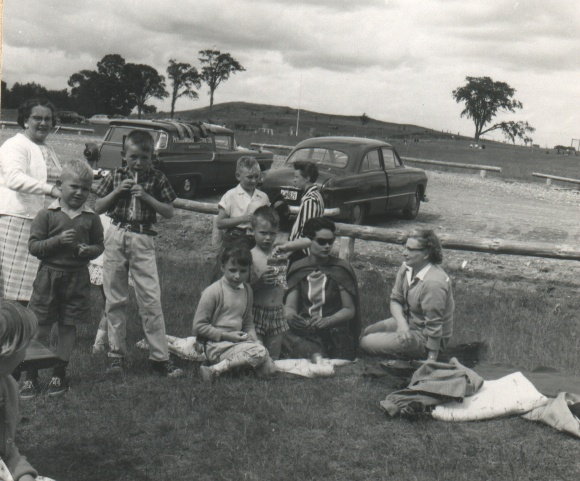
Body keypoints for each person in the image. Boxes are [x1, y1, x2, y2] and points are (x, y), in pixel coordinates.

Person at [94, 129, 183, 377]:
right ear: (124, 156)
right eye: (133, 157)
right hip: (116, 233)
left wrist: (146, 196)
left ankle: (159, 358)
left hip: (143, 237)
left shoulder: (157, 178)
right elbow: (98, 205)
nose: (139, 162)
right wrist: (117, 192)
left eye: (145, 157)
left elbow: (168, 211)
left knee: (150, 299)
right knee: (115, 298)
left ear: (152, 157)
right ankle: (115, 355)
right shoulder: (116, 175)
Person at [20, 159, 104, 398]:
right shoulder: (47, 214)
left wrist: (89, 251)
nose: (80, 192)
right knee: (42, 327)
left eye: (86, 188)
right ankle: (30, 376)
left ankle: (59, 373)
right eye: (74, 186)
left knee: (68, 326)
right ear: (60, 185)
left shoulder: (91, 217)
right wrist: (57, 242)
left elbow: (99, 245)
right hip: (49, 277)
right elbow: (34, 247)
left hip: (77, 278)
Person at [0, 98, 62, 304]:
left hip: (39, 224)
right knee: (12, 294)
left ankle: (21, 334)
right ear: (25, 121)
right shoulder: (15, 145)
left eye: (48, 119)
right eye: (37, 118)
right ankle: (10, 334)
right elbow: (14, 179)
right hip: (16, 222)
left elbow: (59, 178)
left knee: (31, 293)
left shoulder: (46, 148)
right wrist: (52, 190)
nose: (43, 123)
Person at [359, 229, 454, 362]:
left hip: (426, 337)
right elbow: (395, 300)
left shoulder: (433, 283)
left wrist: (431, 358)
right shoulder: (406, 268)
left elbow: (434, 325)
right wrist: (402, 324)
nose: (404, 253)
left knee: (365, 342)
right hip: (409, 322)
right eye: (405, 248)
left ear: (426, 254)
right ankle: (398, 345)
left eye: (410, 249)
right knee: (367, 331)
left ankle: (409, 352)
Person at [282, 217, 360, 360]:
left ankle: (316, 353)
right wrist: (292, 317)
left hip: (334, 331)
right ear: (308, 241)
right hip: (306, 328)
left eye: (330, 241)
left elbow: (350, 310)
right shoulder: (298, 267)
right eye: (321, 241)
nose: (327, 246)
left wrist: (328, 320)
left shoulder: (340, 269)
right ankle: (315, 353)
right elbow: (290, 307)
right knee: (280, 337)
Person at [193, 246, 275, 382]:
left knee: (268, 370)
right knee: (260, 353)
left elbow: (248, 322)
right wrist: (226, 335)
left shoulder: (247, 290)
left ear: (249, 270)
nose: (237, 276)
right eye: (232, 270)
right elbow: (198, 326)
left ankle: (235, 368)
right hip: (216, 345)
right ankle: (214, 370)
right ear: (222, 267)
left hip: (237, 343)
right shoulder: (213, 291)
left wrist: (255, 341)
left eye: (243, 271)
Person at [0, 300, 40, 480]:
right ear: (8, 349)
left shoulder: (8, 387)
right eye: (26, 345)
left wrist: (23, 474)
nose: (26, 352)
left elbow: (7, 449)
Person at [249, 206, 288, 359]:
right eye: (263, 233)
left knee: (273, 357)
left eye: (272, 234)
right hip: (257, 310)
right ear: (252, 231)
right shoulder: (250, 256)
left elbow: (281, 285)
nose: (267, 238)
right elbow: (244, 289)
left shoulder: (279, 255)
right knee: (258, 356)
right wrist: (260, 283)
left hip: (277, 311)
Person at [216, 156, 270, 249]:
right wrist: (242, 219)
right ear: (238, 176)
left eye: (256, 176)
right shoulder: (231, 195)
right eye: (249, 177)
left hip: (256, 239)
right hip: (235, 237)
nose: (254, 180)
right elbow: (220, 223)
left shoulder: (263, 197)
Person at [276, 161, 324, 264]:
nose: (294, 180)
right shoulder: (312, 195)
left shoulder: (311, 200)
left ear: (307, 178)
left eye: (296, 177)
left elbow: (307, 234)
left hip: (303, 254)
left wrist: (290, 249)